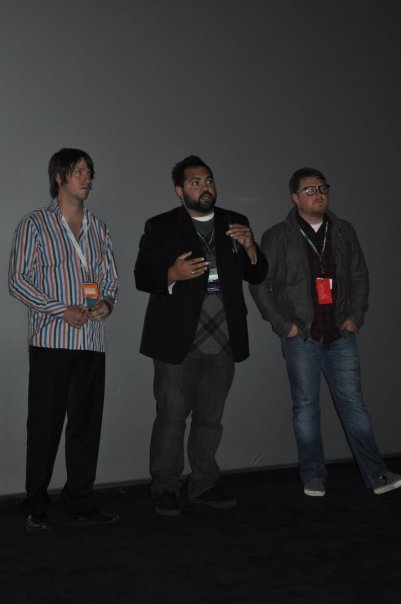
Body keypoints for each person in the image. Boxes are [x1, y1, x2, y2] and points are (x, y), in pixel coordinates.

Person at [250, 167, 401, 497]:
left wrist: (356, 316)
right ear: (294, 197)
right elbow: (262, 285)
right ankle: (313, 475)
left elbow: (360, 276)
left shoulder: (344, 231)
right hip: (302, 336)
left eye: (322, 187)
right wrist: (284, 325)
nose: (318, 193)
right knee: (305, 407)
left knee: (355, 407)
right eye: (309, 189)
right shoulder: (278, 236)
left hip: (340, 334)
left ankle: (376, 474)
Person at [134, 155, 268, 516]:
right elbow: (142, 277)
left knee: (210, 419)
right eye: (195, 182)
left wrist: (252, 249)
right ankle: (165, 486)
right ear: (180, 191)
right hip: (177, 341)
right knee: (172, 417)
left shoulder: (235, 223)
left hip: (224, 340)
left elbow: (256, 275)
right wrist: (172, 273)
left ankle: (204, 483)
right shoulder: (161, 226)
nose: (204, 186)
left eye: (208, 180)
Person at [9, 148, 119, 530]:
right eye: (78, 171)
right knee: (45, 425)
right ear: (59, 177)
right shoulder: (35, 225)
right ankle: (35, 502)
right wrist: (60, 309)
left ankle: (80, 500)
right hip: (52, 343)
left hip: (91, 343)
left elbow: (110, 281)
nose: (86, 178)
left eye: (89, 171)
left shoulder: (98, 228)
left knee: (86, 427)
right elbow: (17, 280)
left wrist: (105, 302)